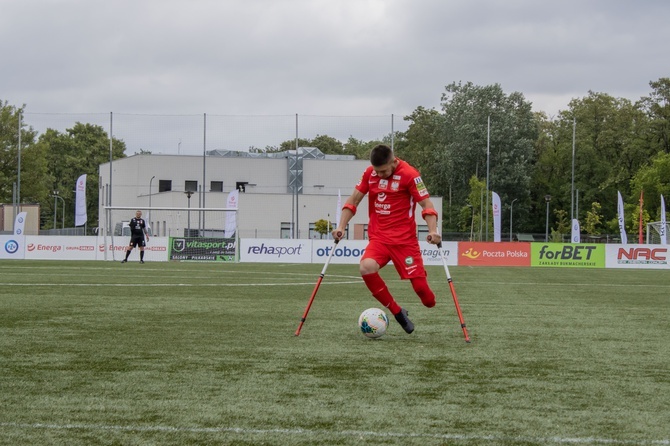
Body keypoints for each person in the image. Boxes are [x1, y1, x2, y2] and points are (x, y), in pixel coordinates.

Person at [332, 144, 441, 334]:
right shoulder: (369, 174)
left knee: (426, 297)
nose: (379, 175)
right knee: (366, 267)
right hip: (379, 239)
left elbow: (426, 204)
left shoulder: (410, 174)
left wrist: (433, 230)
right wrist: (341, 226)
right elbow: (353, 201)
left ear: (394, 161)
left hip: (405, 242)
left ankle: (423, 295)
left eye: (383, 171)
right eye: (376, 171)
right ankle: (398, 313)